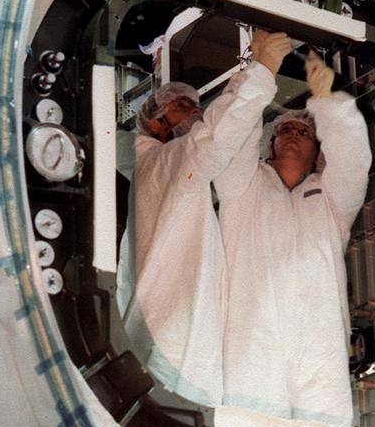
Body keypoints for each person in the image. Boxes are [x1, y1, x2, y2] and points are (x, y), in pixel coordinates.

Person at [119, 29, 290, 406]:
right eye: (183, 105)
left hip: (182, 347)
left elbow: (227, 143)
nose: (196, 111)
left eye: (197, 106)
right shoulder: (160, 163)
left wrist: (252, 78)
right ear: (155, 122)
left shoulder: (172, 171)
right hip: (171, 345)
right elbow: (212, 141)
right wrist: (260, 71)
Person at [216, 51, 372, 424]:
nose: (292, 136)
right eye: (284, 130)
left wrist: (328, 105)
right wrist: (262, 72)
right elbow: (232, 139)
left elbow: (353, 161)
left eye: (303, 132)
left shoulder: (333, 201)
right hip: (250, 345)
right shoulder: (242, 187)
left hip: (319, 349)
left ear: (319, 153)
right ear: (269, 144)